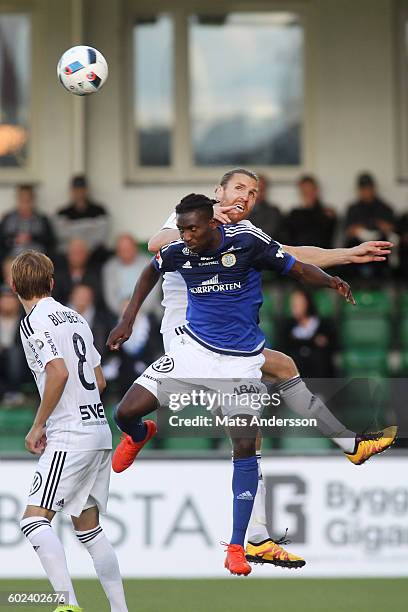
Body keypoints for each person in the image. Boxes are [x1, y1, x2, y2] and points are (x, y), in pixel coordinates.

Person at [109, 168, 396, 571]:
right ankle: (260, 528)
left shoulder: (245, 235)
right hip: (187, 335)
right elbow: (157, 245)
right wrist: (207, 222)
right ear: (219, 192)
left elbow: (291, 255)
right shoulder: (196, 217)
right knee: (254, 417)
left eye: (254, 191)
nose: (247, 196)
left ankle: (270, 521)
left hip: (225, 342)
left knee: (267, 400)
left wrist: (346, 256)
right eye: (240, 188)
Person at [11, 250, 128, 612]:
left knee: (33, 521)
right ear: (51, 282)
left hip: (71, 434)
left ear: (14, 286)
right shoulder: (75, 317)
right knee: (89, 531)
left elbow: (59, 373)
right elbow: (99, 379)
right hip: (98, 431)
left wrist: (39, 424)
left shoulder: (33, 323)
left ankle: (67, 605)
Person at [344, 172, 397, 279]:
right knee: (350, 246)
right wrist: (359, 231)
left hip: (378, 245)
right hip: (358, 244)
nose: (366, 191)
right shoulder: (353, 209)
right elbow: (347, 231)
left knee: (385, 248)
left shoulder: (385, 208)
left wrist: (382, 227)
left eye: (368, 188)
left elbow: (393, 231)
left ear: (373, 188)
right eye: (363, 188)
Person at [279, 288, 337, 379]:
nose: (294, 307)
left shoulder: (324, 325)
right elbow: (282, 348)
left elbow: (332, 347)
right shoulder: (287, 327)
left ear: (307, 303)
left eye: (298, 303)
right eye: (293, 304)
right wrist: (313, 342)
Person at [54, 175, 110, 264]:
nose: (79, 193)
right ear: (71, 191)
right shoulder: (62, 212)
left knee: (102, 253)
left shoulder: (99, 210)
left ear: (86, 190)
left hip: (92, 252)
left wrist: (72, 227)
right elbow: (62, 235)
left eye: (81, 189)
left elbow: (100, 236)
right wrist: (89, 226)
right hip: (70, 252)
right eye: (76, 190)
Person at [102, 234, 162, 317]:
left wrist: (135, 309)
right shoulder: (110, 267)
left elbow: (153, 294)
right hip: (119, 313)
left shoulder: (149, 263)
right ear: (117, 251)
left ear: (135, 248)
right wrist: (123, 309)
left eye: (128, 248)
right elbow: (110, 297)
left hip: (147, 312)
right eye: (122, 249)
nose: (125, 251)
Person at [0, 184, 55, 261]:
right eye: (22, 200)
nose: (25, 205)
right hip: (13, 258)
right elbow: (2, 240)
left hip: (37, 259)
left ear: (33, 200)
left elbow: (50, 241)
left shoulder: (42, 219)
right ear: (17, 200)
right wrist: (13, 239)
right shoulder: (8, 218)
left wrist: (31, 238)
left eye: (28, 200)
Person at [285, 175, 336, 248]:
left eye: (310, 191)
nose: (308, 194)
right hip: (299, 253)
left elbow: (325, 236)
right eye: (305, 192)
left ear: (316, 191)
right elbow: (289, 238)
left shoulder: (326, 213)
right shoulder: (294, 213)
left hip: (321, 252)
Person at [53, 238, 103, 307]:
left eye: (80, 252)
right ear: (68, 254)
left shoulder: (95, 274)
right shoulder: (58, 275)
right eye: (74, 252)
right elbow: (54, 298)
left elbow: (99, 300)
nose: (77, 256)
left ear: (87, 254)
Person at [0, 285, 28, 404]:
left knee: (15, 352)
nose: (8, 302)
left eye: (11, 298)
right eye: (4, 298)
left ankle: (13, 392)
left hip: (21, 364)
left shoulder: (27, 320)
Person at [247, 175, 284, 241]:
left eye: (261, 189)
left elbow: (266, 234)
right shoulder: (241, 210)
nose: (258, 193)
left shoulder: (273, 211)